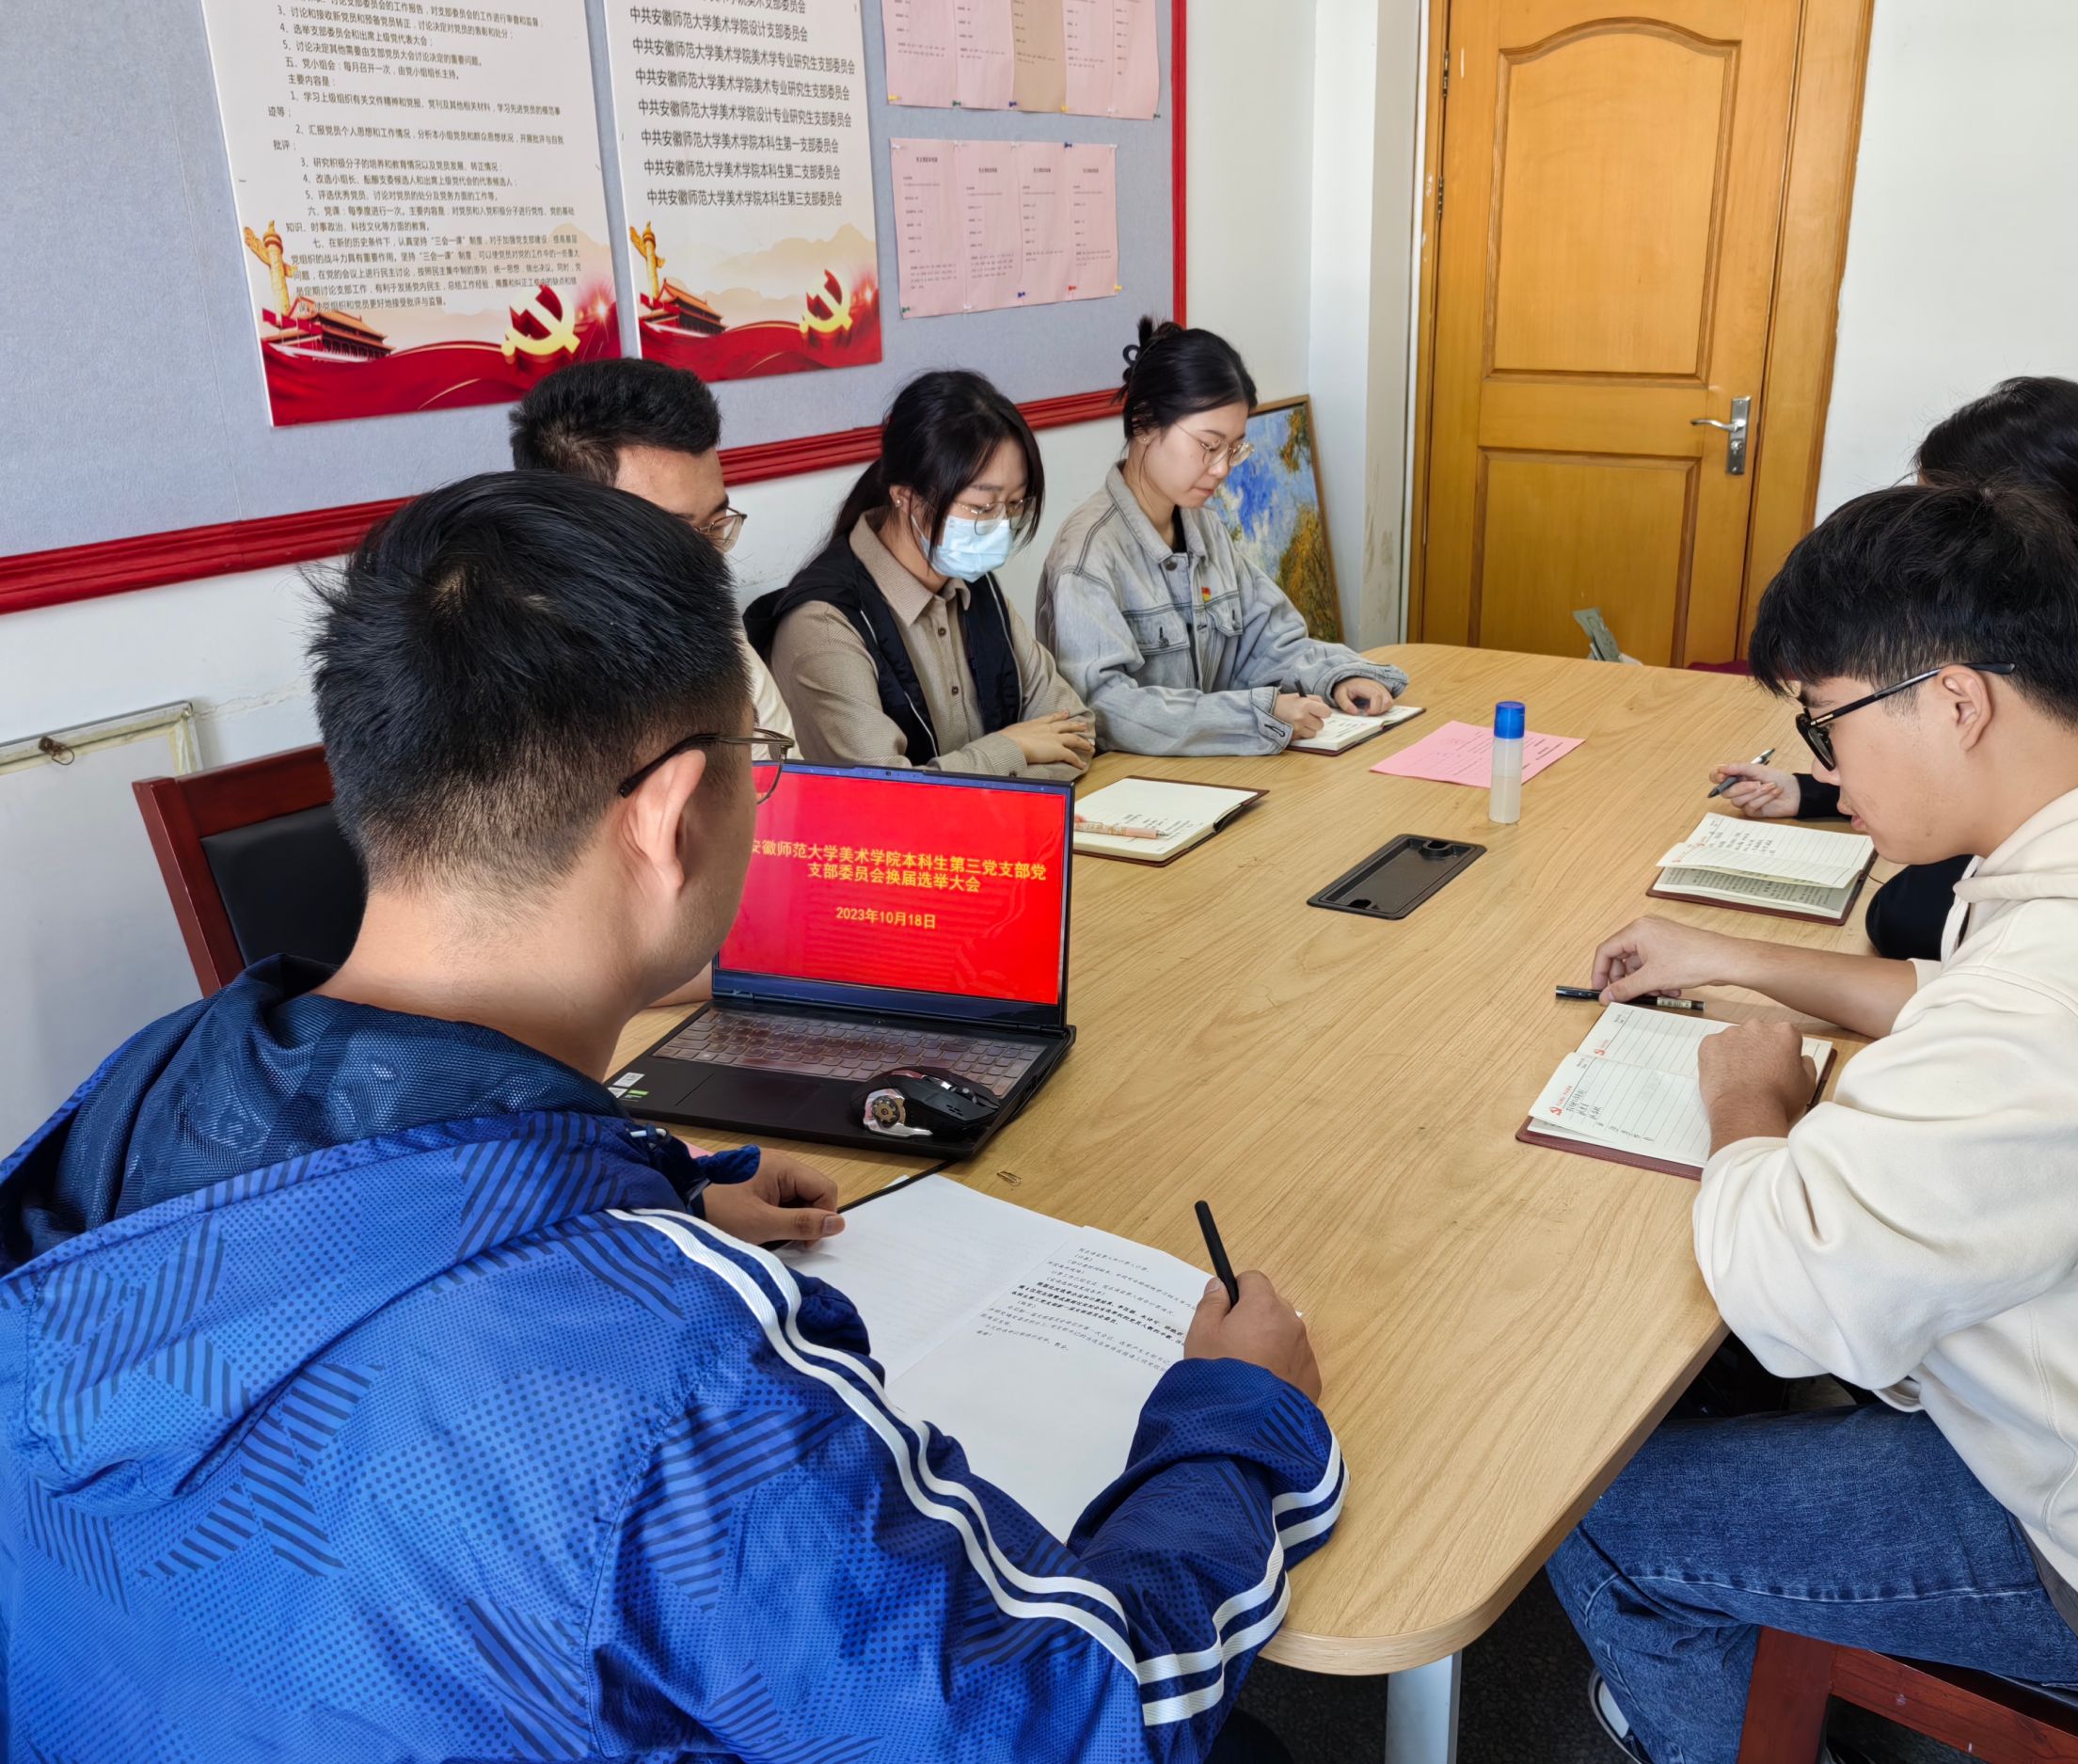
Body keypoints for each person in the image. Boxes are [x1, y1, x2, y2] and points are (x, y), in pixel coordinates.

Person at [0, 472, 1341, 1762]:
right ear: (670, 815)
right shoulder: (677, 1368)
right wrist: (1240, 1415)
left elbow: (319, 1251)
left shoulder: (144, 1086)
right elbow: (1079, 1720)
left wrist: (651, 1188)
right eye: (759, 762)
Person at [1551, 480, 2078, 1764]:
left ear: (1957, 700)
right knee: (1706, 1397)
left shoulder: (2062, 996)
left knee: (1592, 1508)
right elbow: (1973, 998)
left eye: (1827, 724)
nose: (1824, 769)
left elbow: (1791, 1290)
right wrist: (1738, 957)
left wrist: (1750, 1098)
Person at [1710, 376, 2078, 959]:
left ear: (2009, 527)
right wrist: (1818, 791)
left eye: (1939, 515)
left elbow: (1922, 918)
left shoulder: (2056, 681)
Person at [1037, 319, 1406, 754]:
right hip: (1133, 784)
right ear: (1144, 423)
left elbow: (1269, 640)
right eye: (1209, 445)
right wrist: (1254, 716)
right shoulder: (1087, 557)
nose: (1222, 468)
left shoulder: (1205, 527)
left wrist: (1337, 677)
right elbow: (1105, 711)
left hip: (1214, 772)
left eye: (1234, 449)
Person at [745, 370, 1096, 778]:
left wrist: (994, 783)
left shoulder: (972, 582)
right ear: (906, 497)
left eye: (1015, 504)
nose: (1000, 525)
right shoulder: (824, 625)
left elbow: (1076, 732)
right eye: (982, 508)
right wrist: (1013, 749)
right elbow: (886, 797)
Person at [510, 356, 793, 739]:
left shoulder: (705, 620)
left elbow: (784, 764)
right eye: (674, 536)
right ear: (567, 533)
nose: (708, 566)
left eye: (715, 524)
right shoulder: (505, 682)